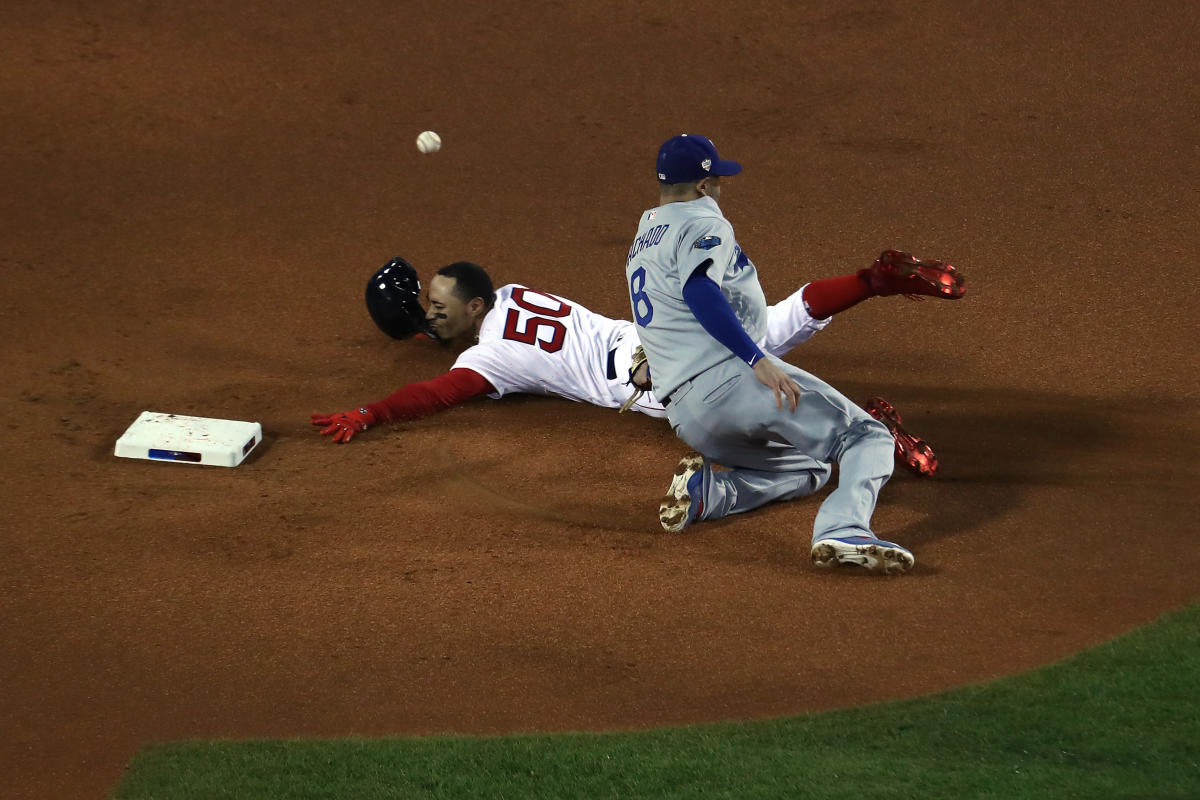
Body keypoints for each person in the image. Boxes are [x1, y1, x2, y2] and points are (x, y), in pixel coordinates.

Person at [622, 133, 965, 575]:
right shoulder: (702, 222)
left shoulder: (643, 237)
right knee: (866, 436)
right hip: (731, 381)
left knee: (811, 469)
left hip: (687, 416)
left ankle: (712, 493)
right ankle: (845, 528)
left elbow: (665, 312)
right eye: (718, 180)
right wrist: (755, 359)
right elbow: (699, 290)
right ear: (704, 186)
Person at [312, 252, 962, 480]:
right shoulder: (513, 295)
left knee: (753, 428)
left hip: (652, 372)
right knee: (778, 320)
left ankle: (874, 434)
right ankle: (873, 279)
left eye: (437, 305)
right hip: (660, 328)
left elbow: (436, 392)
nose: (431, 314)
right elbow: (454, 341)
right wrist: (424, 327)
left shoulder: (491, 358)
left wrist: (372, 413)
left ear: (474, 305)